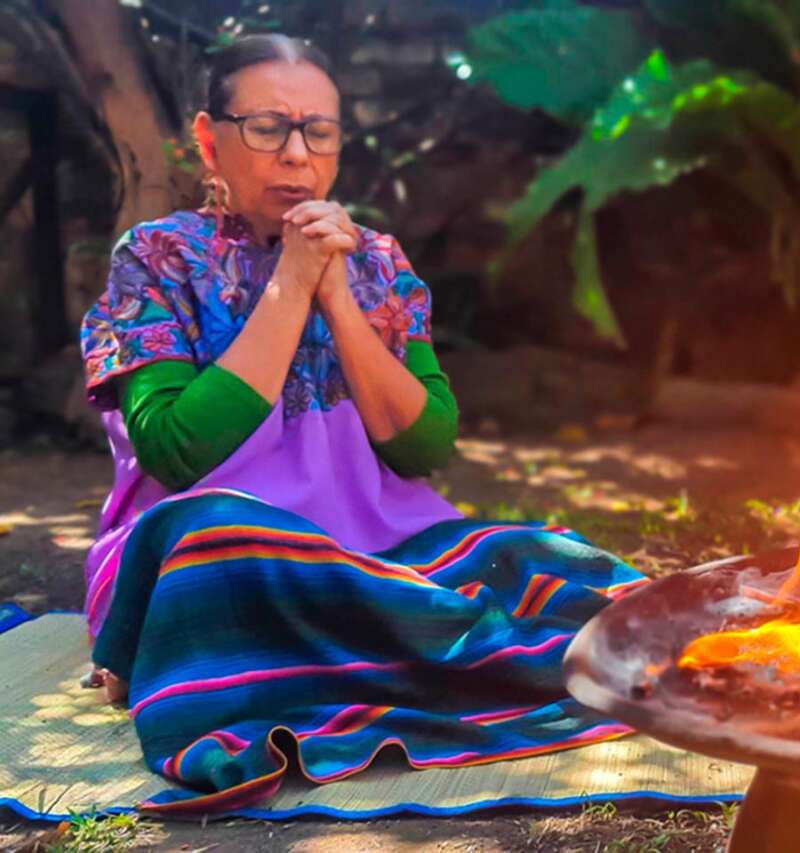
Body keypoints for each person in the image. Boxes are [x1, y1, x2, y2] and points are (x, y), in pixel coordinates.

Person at [80, 34, 646, 813]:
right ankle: (461, 649)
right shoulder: (155, 258)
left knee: (530, 553)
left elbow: (423, 445)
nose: (296, 154)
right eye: (268, 127)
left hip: (376, 543)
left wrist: (340, 299)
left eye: (318, 131)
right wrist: (290, 282)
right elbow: (178, 451)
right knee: (219, 540)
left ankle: (495, 641)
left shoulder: (375, 261)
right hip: (215, 552)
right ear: (211, 139)